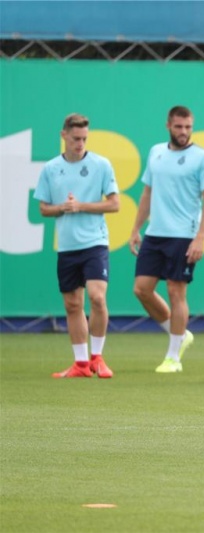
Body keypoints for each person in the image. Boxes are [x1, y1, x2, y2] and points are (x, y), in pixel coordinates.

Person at [129, 106, 204, 373]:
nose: (183, 131)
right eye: (179, 126)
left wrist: (200, 237)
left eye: (188, 127)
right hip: (155, 233)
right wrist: (136, 228)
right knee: (141, 290)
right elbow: (147, 192)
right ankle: (179, 335)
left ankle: (173, 357)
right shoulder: (156, 152)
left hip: (184, 234)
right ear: (168, 125)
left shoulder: (202, 157)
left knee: (176, 291)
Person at [34, 113, 119, 378]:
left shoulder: (101, 165)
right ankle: (81, 364)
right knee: (72, 305)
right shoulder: (50, 169)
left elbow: (114, 204)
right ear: (64, 136)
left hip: (95, 242)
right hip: (67, 246)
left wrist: (80, 205)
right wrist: (63, 207)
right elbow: (44, 208)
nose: (80, 143)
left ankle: (97, 358)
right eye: (75, 138)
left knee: (97, 297)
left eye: (84, 138)